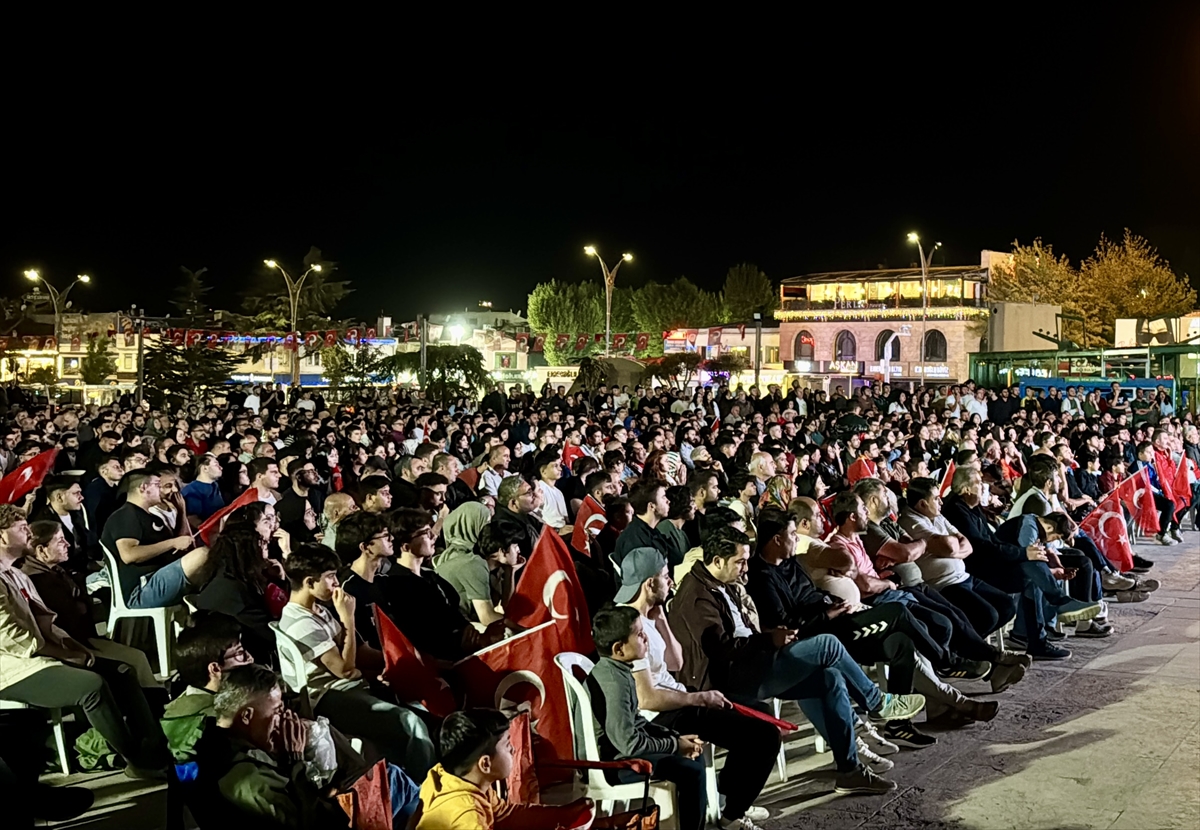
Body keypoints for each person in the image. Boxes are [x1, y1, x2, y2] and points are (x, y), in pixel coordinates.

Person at [668, 527, 920, 793]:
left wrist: (772, 637)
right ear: (717, 560)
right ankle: (877, 702)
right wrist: (770, 641)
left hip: (753, 660)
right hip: (730, 678)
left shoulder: (716, 581)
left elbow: (741, 630)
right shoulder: (697, 596)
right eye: (739, 562)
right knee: (828, 645)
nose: (745, 568)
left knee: (829, 678)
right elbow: (722, 648)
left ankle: (850, 770)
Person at [0, 504, 169, 780]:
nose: (29, 533)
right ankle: (135, 760)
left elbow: (48, 623)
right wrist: (66, 655)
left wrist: (77, 650)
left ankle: (155, 747)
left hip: (43, 653)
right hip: (14, 667)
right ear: (2, 537)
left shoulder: (16, 575)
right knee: (92, 686)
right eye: (21, 529)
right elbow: (12, 638)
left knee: (123, 672)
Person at [617, 547, 777, 830]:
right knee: (765, 735)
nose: (671, 583)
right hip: (664, 714)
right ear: (650, 584)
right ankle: (732, 814)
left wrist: (661, 617)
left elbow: (675, 661)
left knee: (760, 712)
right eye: (666, 577)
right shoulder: (630, 627)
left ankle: (728, 794)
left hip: (679, 697)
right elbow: (648, 698)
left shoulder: (648, 616)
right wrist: (699, 698)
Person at [194, 663, 420, 828]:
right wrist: (296, 761)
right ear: (246, 716)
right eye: (276, 711)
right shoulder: (250, 782)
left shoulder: (222, 741)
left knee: (393, 780)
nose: (283, 719)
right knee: (398, 785)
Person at [279, 544, 436, 778]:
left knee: (423, 705)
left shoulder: (319, 610)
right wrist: (348, 619)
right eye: (330, 577)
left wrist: (401, 660)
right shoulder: (300, 622)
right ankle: (426, 788)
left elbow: (358, 652)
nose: (335, 584)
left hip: (353, 685)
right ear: (310, 583)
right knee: (410, 723)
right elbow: (344, 669)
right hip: (328, 696)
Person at [589, 605, 710, 830]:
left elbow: (637, 721)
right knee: (690, 771)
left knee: (693, 754)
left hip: (623, 753)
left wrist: (675, 738)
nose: (646, 638)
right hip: (615, 765)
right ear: (619, 648)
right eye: (638, 634)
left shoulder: (619, 670)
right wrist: (674, 745)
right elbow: (629, 744)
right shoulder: (614, 683)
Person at [22, 520, 159, 688]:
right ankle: (155, 707)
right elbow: (69, 618)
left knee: (137, 656)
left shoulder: (55, 572)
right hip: (71, 647)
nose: (67, 544)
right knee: (133, 661)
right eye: (60, 541)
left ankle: (156, 702)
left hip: (82, 639)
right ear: (41, 550)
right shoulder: (39, 581)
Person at [413, 709, 593, 830]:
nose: (513, 750)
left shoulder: (447, 777)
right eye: (508, 745)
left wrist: (562, 814)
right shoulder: (467, 819)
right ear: (485, 764)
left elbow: (505, 815)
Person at [101, 469, 211, 609]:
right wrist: (172, 543)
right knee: (203, 554)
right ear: (143, 488)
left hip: (160, 577)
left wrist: (181, 512)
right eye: (157, 485)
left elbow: (182, 544)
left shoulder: (153, 518)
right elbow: (129, 555)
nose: (161, 490)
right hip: (142, 588)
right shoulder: (125, 515)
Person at [435, 504, 518, 626]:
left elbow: (504, 608)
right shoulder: (471, 562)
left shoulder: (476, 560)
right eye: (486, 523)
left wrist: (510, 570)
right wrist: (525, 629)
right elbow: (488, 618)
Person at [614, 478, 674, 568]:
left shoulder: (649, 530)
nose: (668, 501)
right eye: (663, 497)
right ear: (651, 506)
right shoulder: (635, 542)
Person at [490, 476, 543, 561]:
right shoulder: (504, 527)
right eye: (529, 492)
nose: (534, 494)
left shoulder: (524, 516)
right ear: (514, 502)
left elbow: (544, 532)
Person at [183, 453, 226, 525]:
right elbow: (193, 519)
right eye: (216, 465)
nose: (221, 468)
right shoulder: (192, 490)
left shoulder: (215, 485)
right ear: (205, 468)